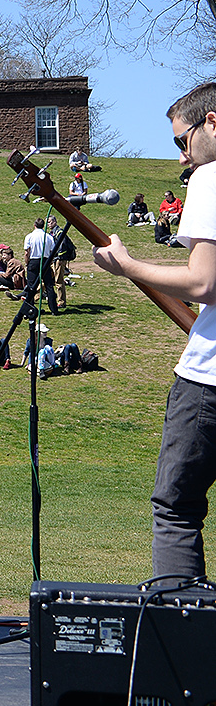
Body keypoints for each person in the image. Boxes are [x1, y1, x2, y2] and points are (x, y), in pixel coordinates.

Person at [96, 86, 216, 579]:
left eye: (182, 142)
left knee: (176, 506)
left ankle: (185, 648)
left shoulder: (209, 177)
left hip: (208, 381)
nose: (182, 157)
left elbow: (204, 282)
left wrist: (128, 266)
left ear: (212, 123)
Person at [17, 216, 58, 314]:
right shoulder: (48, 237)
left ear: (34, 226)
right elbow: (52, 251)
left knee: (31, 286)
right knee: (49, 285)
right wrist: (50, 262)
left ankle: (30, 309)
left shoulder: (30, 236)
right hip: (45, 261)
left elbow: (27, 252)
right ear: (43, 226)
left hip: (34, 261)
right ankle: (54, 309)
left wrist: (27, 263)